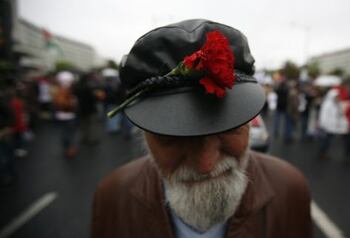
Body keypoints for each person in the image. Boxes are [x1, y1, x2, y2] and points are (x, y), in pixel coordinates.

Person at [92, 19, 312, 238]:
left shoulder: (291, 189)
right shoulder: (112, 196)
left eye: (228, 127)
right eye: (171, 134)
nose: (205, 165)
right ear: (144, 134)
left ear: (246, 123)